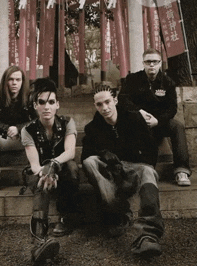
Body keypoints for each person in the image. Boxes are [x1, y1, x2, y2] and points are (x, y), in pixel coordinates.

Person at [81, 84, 164, 257]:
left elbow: (151, 150)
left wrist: (136, 163)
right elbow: (85, 157)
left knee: (148, 171)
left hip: (134, 168)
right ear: (95, 105)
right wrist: (103, 153)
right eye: (99, 104)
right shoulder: (92, 128)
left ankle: (148, 234)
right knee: (89, 162)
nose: (104, 108)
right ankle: (118, 213)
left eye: (107, 102)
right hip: (111, 173)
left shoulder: (134, 118)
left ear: (115, 100)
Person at [21, 78, 79, 263]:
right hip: (40, 171)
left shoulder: (68, 122)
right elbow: (35, 165)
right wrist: (46, 171)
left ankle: (67, 218)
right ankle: (38, 242)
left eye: (51, 102)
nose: (47, 106)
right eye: (42, 102)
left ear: (57, 105)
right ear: (35, 106)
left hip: (62, 168)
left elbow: (69, 152)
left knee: (72, 168)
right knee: (41, 182)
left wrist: (54, 164)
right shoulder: (28, 130)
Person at [118, 48, 191, 186]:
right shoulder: (132, 79)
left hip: (159, 123)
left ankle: (182, 170)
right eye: (148, 62)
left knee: (177, 126)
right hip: (138, 122)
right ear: (143, 63)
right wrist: (139, 112)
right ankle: (140, 170)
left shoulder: (168, 82)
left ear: (160, 64)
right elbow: (123, 99)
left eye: (155, 62)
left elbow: (172, 108)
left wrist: (158, 120)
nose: (151, 65)